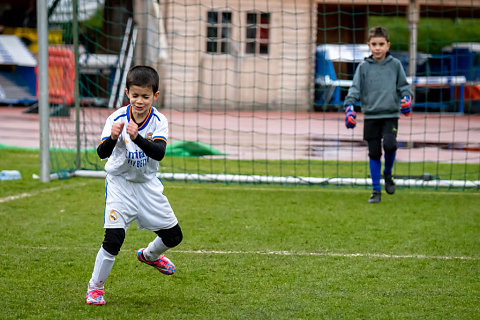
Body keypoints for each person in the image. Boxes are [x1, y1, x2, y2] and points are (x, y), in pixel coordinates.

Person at [85, 65, 183, 305]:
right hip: (120, 184)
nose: (140, 101)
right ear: (127, 93)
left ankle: (149, 255)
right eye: (135, 95)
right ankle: (95, 288)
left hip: (147, 185)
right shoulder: (116, 118)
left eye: (146, 96)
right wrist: (112, 138)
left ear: (155, 96)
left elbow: (159, 153)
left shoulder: (159, 120)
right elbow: (101, 153)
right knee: (113, 239)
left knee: (174, 236)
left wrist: (137, 137)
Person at [344, 26, 413, 203]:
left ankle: (388, 174)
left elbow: (404, 87)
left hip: (390, 114)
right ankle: (376, 191)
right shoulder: (363, 67)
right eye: (374, 44)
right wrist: (349, 107)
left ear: (388, 45)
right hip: (371, 116)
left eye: (381, 44)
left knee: (390, 145)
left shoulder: (395, 65)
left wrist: (407, 98)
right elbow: (355, 89)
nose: (377, 48)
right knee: (374, 153)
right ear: (368, 45)